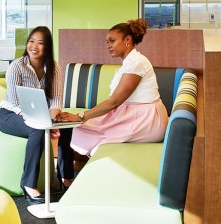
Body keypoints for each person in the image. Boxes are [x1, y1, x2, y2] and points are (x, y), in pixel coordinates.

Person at [66, 18, 168, 157]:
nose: (108, 45)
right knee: (81, 128)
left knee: (85, 128)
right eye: (107, 42)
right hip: (134, 115)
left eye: (112, 41)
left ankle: (102, 162)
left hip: (146, 120)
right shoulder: (130, 62)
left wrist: (80, 116)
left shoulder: (136, 63)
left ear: (128, 40)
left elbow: (114, 102)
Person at [0, 26, 75, 204]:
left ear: (47, 47)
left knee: (67, 126)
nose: (34, 46)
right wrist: (42, 122)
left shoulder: (54, 67)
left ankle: (66, 176)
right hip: (10, 114)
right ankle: (28, 183)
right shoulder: (17, 66)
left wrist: (53, 119)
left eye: (40, 43)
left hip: (41, 115)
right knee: (37, 131)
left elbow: (56, 100)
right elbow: (16, 102)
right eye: (31, 41)